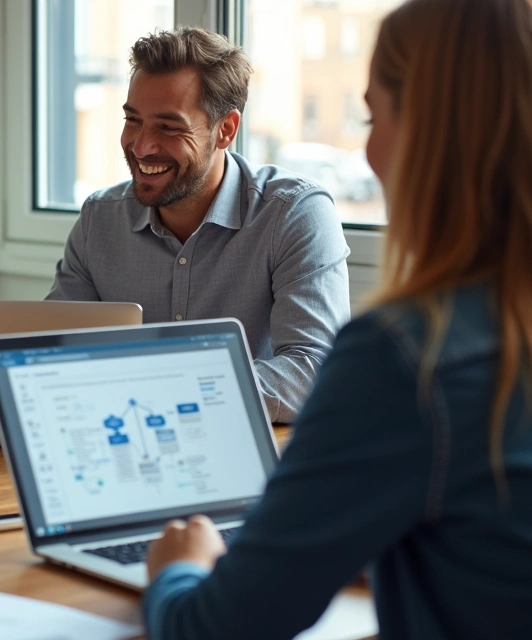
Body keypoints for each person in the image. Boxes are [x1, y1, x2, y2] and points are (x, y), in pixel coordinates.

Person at [143, 1, 532, 638]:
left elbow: (213, 629)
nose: (369, 147)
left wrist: (180, 570)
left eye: (373, 116)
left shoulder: (407, 358)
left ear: (432, 136)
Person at [46, 28, 351, 423]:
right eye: (133, 119)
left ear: (226, 130)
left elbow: (313, 372)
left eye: (168, 127)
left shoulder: (294, 213)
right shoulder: (99, 220)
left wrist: (163, 393)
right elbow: (51, 357)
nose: (141, 146)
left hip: (249, 454)